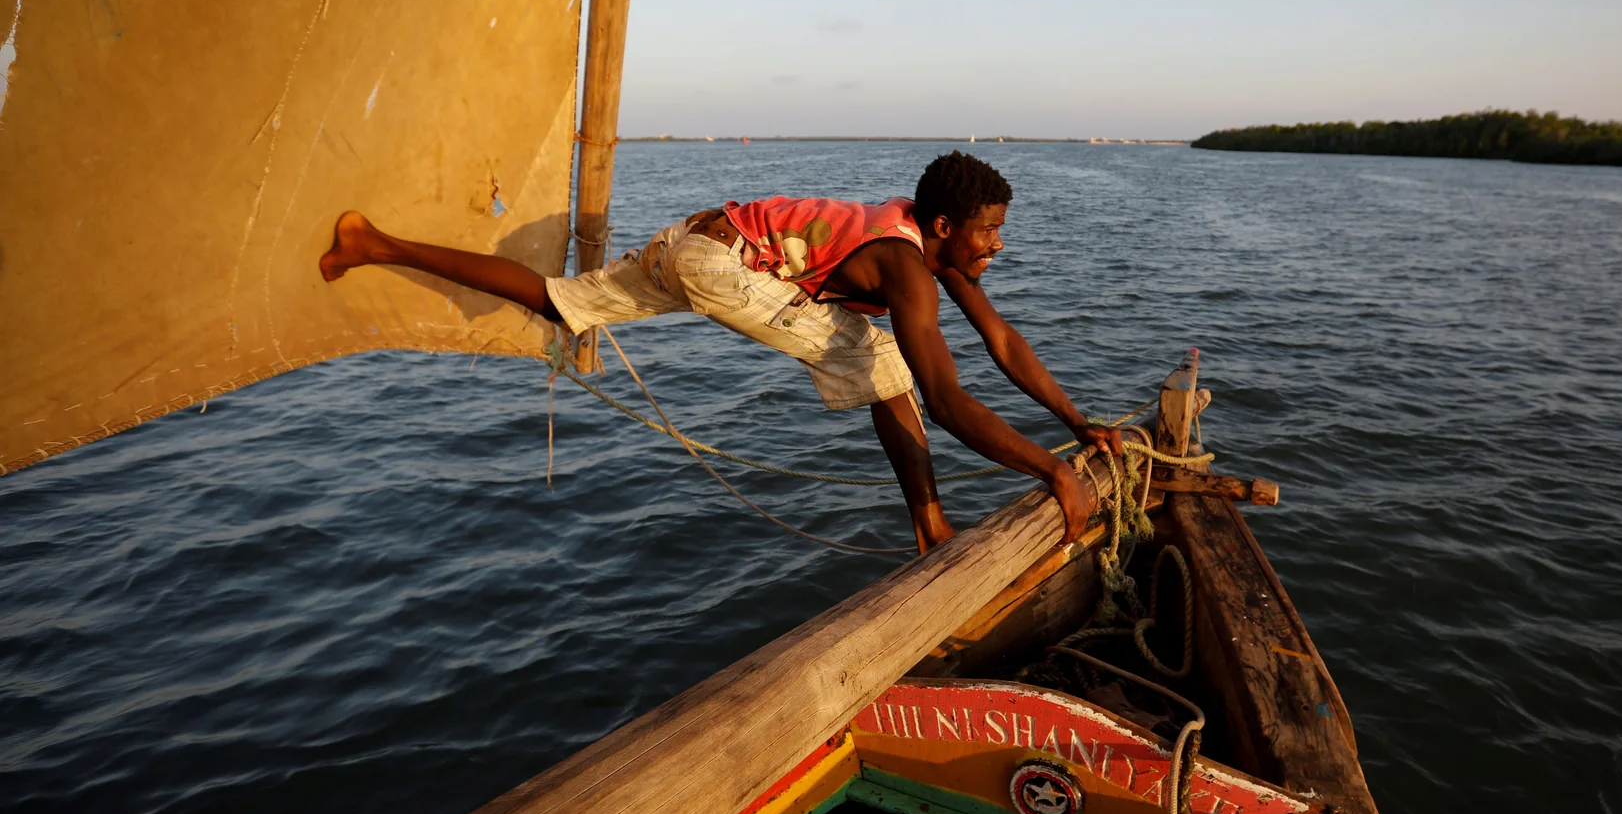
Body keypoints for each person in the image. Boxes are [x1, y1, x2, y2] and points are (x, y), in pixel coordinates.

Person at [319, 151, 1120, 553]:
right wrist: (1052, 471)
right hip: (720, 263)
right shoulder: (908, 267)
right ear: (945, 227)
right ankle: (931, 527)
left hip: (692, 239)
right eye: (990, 231)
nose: (998, 246)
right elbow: (943, 399)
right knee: (885, 364)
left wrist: (1078, 423)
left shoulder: (934, 250)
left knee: (559, 301)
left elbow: (1002, 341)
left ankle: (372, 241)